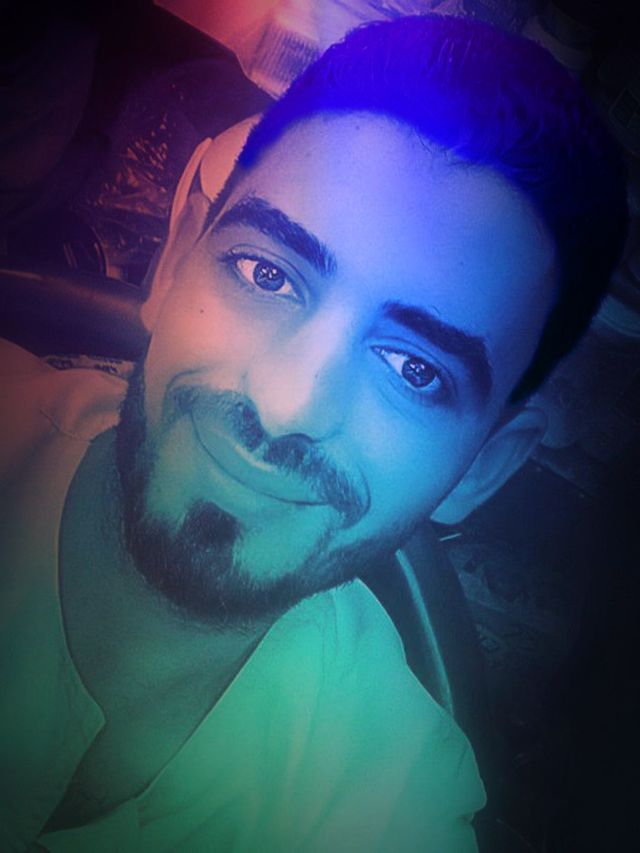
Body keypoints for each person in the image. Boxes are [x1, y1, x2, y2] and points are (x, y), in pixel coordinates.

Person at [0, 13, 627, 853]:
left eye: (414, 369)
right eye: (267, 272)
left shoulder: (392, 805)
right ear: (176, 256)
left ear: (485, 463)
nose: (288, 404)